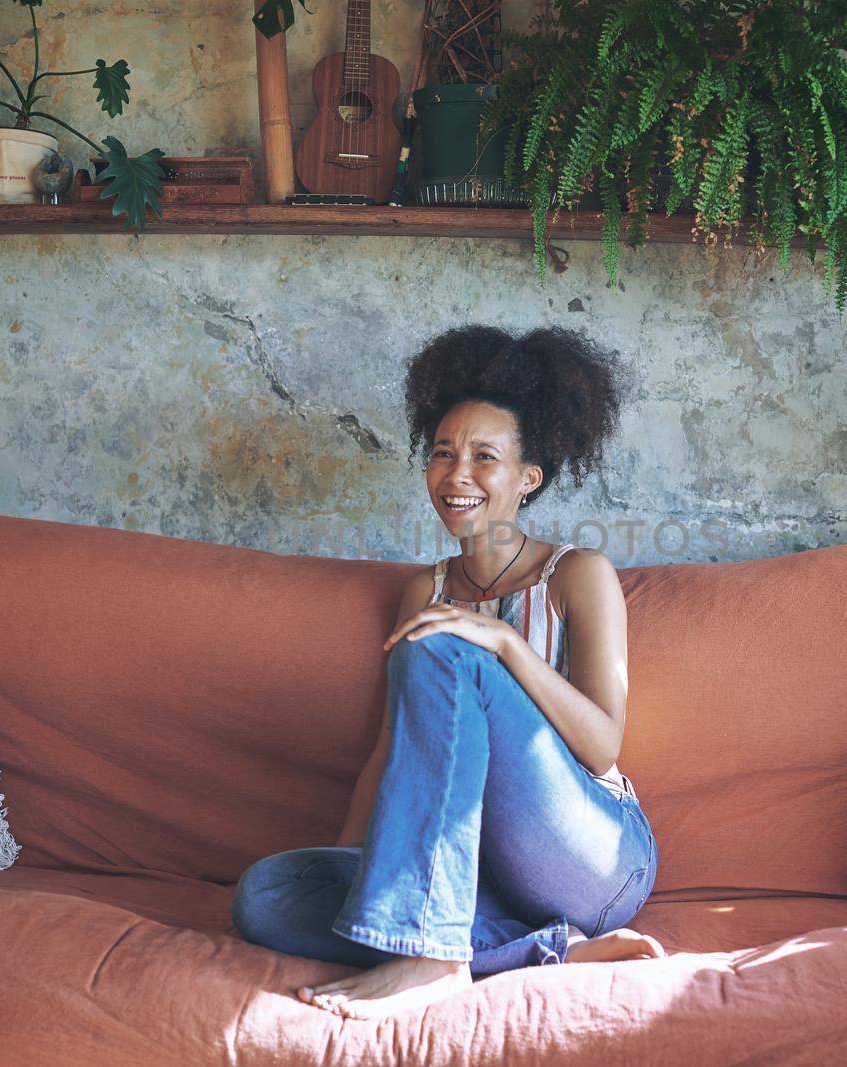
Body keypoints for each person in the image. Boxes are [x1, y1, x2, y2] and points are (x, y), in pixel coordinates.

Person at [232, 325, 662, 1020]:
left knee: (443, 646)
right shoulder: (424, 591)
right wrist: (354, 873)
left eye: (484, 457)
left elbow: (603, 743)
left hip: (588, 852)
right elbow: (389, 755)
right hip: (471, 876)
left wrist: (502, 641)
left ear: (529, 479)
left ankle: (430, 958)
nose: (457, 474)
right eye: (442, 453)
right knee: (265, 894)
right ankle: (538, 948)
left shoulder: (578, 575)